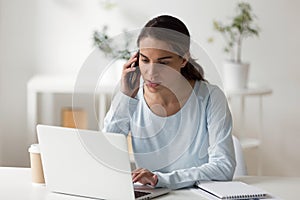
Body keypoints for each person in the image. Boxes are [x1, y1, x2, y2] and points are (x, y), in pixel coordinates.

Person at [103, 15, 236, 190]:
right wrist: (125, 96)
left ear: (183, 59)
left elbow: (224, 167)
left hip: (196, 195)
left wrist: (160, 179)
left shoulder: (211, 97)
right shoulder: (132, 98)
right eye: (145, 60)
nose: (151, 73)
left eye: (163, 63)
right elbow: (106, 153)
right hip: (151, 195)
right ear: (135, 59)